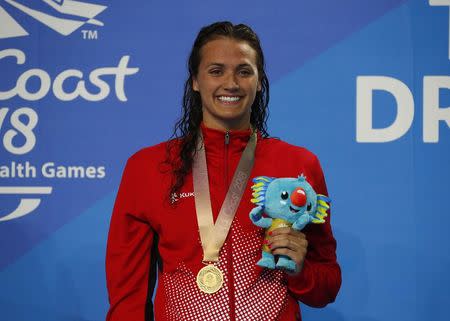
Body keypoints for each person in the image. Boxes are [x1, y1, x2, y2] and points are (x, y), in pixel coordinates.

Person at [105, 21, 341, 321]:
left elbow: (328, 285)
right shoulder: (148, 167)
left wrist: (300, 271)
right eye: (216, 71)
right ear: (195, 81)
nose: (231, 83)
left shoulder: (299, 165)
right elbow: (128, 299)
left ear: (259, 82)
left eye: (244, 71)